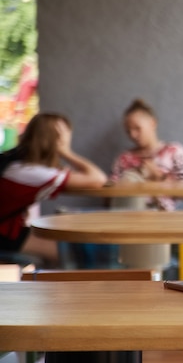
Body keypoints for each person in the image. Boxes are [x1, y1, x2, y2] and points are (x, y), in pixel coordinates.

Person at [0, 113, 107, 266]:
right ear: (54, 140)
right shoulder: (33, 172)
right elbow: (98, 179)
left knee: (62, 248)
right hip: (4, 234)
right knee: (69, 252)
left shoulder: (17, 163)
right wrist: (66, 152)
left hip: (9, 229)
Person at [111, 98, 183, 211]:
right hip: (127, 216)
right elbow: (109, 197)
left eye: (137, 128)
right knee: (129, 177)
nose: (133, 135)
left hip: (163, 217)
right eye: (128, 131)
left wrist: (157, 176)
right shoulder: (123, 158)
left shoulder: (175, 151)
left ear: (153, 123)